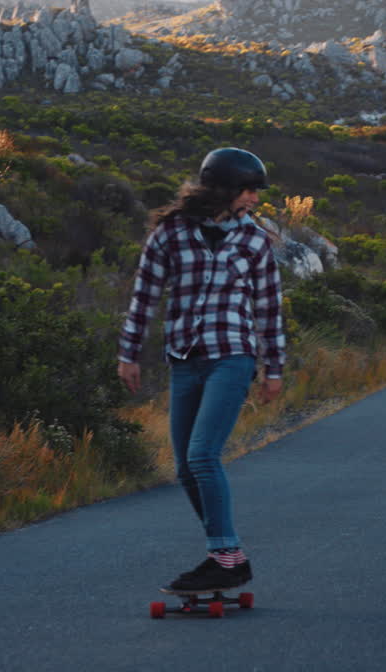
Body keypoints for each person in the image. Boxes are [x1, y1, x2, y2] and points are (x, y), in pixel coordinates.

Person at [117, 147, 286, 592]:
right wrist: (128, 353)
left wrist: (274, 367)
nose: (254, 198)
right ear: (224, 188)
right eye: (248, 190)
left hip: (232, 355)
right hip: (184, 358)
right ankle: (226, 555)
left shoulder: (254, 241)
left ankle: (227, 558)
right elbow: (145, 296)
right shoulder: (170, 233)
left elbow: (269, 308)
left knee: (203, 455)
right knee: (184, 468)